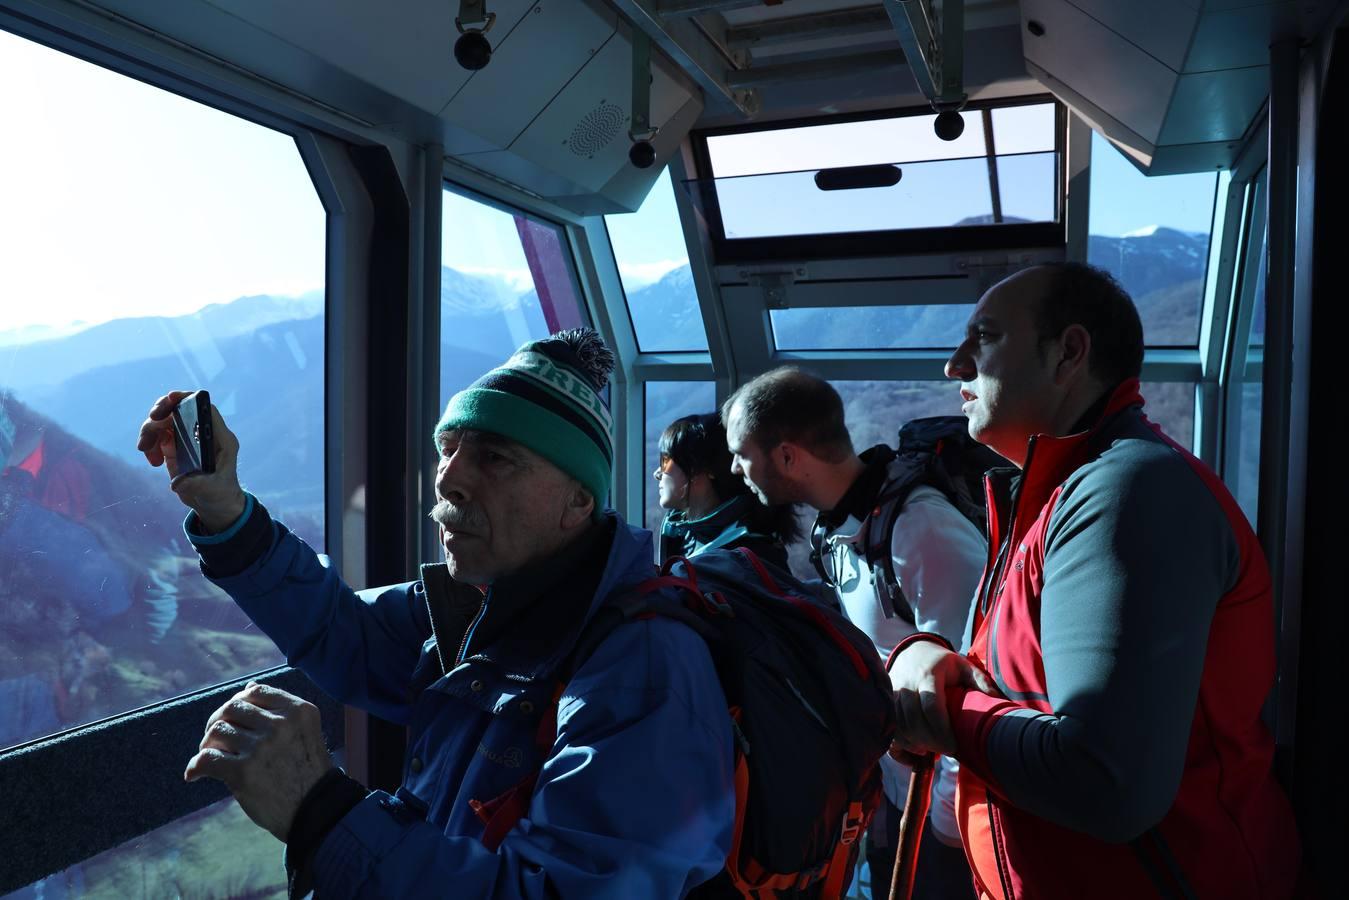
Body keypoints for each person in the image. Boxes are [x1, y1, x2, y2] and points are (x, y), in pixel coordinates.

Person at [137, 329, 735, 898]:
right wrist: (227, 513)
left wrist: (322, 812)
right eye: (448, 449)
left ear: (579, 500)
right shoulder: (478, 603)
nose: (448, 479)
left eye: (495, 458)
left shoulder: (643, 675)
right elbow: (346, 632)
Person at [886, 262, 1301, 899]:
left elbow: (1108, 782)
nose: (954, 365)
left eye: (985, 338)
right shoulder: (1048, 502)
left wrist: (935, 713)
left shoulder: (1129, 491)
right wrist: (928, 657)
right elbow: (1019, 684)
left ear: (1069, 353)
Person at [721, 370, 985, 900]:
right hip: (893, 794)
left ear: (789, 457)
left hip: (942, 819)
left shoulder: (923, 532)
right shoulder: (842, 528)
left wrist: (944, 835)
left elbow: (974, 687)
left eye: (742, 453)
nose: (734, 469)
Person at [653, 412, 798, 568]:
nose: (657, 474)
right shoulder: (683, 535)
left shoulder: (745, 560)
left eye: (665, 461)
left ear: (696, 468)